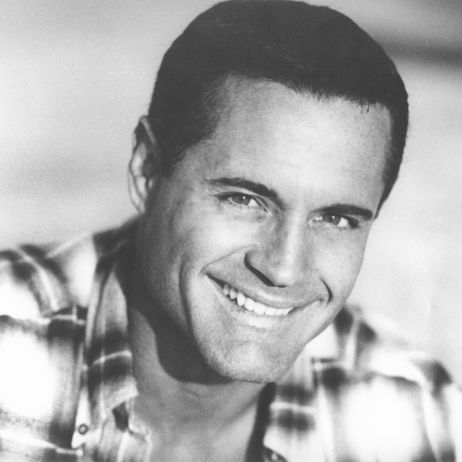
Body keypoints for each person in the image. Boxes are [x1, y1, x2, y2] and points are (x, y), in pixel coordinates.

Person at [0, 1, 460, 461]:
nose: (283, 269)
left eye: (336, 219)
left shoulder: (419, 420)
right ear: (147, 170)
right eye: (244, 199)